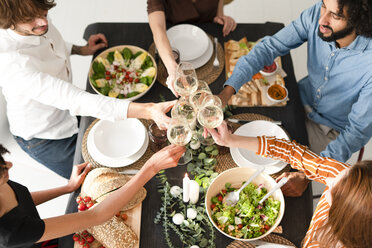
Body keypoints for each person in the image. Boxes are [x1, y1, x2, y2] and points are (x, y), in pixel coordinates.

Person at [0, 0, 176, 179]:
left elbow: (50, 45)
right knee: (103, 178)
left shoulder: (35, 21)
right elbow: (76, 100)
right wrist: (149, 110)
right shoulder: (13, 64)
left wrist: (82, 49)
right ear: (9, 22)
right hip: (45, 136)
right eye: (31, 19)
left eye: (43, 13)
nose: (43, 22)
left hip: (69, 114)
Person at [218, 0, 372, 196]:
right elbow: (269, 47)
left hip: (331, 132)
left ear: (360, 20)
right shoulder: (318, 14)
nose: (321, 19)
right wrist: (227, 92)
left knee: (274, 187)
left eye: (336, 15)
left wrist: (306, 175)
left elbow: (355, 134)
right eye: (324, 5)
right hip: (299, 99)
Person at [207, 121, 372, 248]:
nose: (327, 178)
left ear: (344, 214)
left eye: (334, 188)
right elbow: (291, 151)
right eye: (346, 171)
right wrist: (231, 140)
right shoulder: (340, 173)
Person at [0, 143, 185, 248]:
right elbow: (95, 216)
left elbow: (21, 200)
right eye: (1, 170)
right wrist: (150, 168)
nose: (9, 164)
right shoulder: (10, 232)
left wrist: (67, 187)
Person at [147, 0, 237, 96]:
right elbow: (158, 29)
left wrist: (219, 16)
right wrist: (173, 68)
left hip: (207, 34)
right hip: (169, 38)